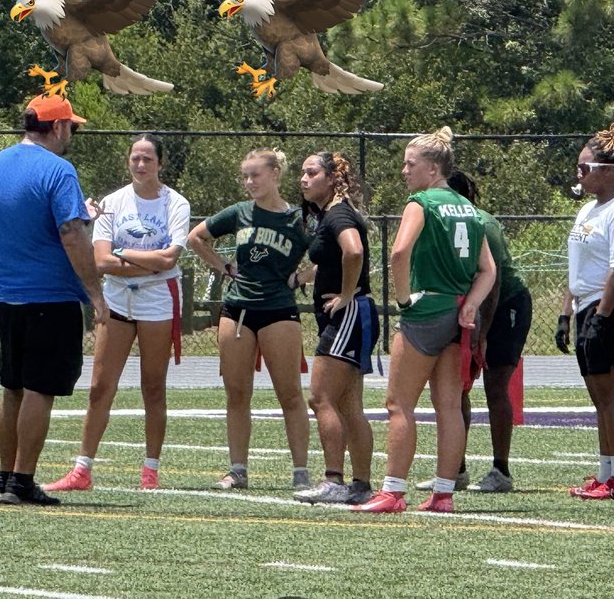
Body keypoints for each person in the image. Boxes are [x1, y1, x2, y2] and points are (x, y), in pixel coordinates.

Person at [352, 127, 497, 514]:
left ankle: (393, 490)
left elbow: (399, 252)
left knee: (399, 404)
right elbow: (488, 270)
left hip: (427, 309)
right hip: (457, 311)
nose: (404, 171)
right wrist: (471, 306)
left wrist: (403, 299)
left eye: (410, 163)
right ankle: (444, 493)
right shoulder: (469, 208)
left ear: (432, 169)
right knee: (449, 406)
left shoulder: (422, 202)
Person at [44, 134, 190, 493]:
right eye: (135, 158)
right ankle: (82, 470)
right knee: (99, 386)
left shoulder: (176, 204)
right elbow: (101, 261)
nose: (141, 165)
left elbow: (170, 258)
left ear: (161, 163)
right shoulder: (113, 202)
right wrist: (145, 263)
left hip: (158, 301)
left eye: (148, 159)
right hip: (117, 301)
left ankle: (150, 471)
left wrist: (126, 255)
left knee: (153, 387)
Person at [0, 94, 107, 506]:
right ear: (56, 127)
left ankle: (5, 477)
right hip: (49, 295)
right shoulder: (59, 170)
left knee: (13, 386)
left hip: (6, 292)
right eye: (71, 126)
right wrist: (94, 293)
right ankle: (22, 480)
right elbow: (72, 234)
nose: (72, 133)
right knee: (40, 388)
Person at [187, 148, 313, 491]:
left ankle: (301, 471)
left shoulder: (299, 218)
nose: (249, 182)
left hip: (279, 311)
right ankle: (237, 469)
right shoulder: (240, 213)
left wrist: (300, 278)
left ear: (275, 174)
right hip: (237, 311)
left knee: (289, 394)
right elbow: (196, 237)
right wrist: (225, 268)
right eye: (245, 176)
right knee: (237, 393)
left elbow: (332, 252)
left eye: (255, 175)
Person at [416, 169, 530, 494]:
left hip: (504, 304)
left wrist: (482, 334)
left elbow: (491, 282)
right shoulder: (438, 219)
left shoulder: (479, 221)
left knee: (496, 386)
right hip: (470, 307)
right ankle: (456, 469)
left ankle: (501, 470)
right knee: (456, 387)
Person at [556, 121, 614, 501]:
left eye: (585, 167)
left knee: (611, 394)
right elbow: (577, 268)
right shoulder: (588, 211)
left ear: (608, 170)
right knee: (598, 395)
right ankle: (606, 472)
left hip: (612, 307)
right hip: (587, 305)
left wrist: (602, 317)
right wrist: (566, 312)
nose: (579, 174)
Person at [292, 151, 377, 505]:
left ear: (331, 178)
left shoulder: (338, 214)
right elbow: (332, 259)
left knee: (320, 397)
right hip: (352, 314)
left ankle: (333, 480)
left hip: (348, 314)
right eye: (302, 173)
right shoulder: (328, 214)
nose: (304, 179)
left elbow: (353, 252)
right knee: (348, 404)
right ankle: (360, 485)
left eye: (311, 173)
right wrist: (301, 278)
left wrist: (345, 295)